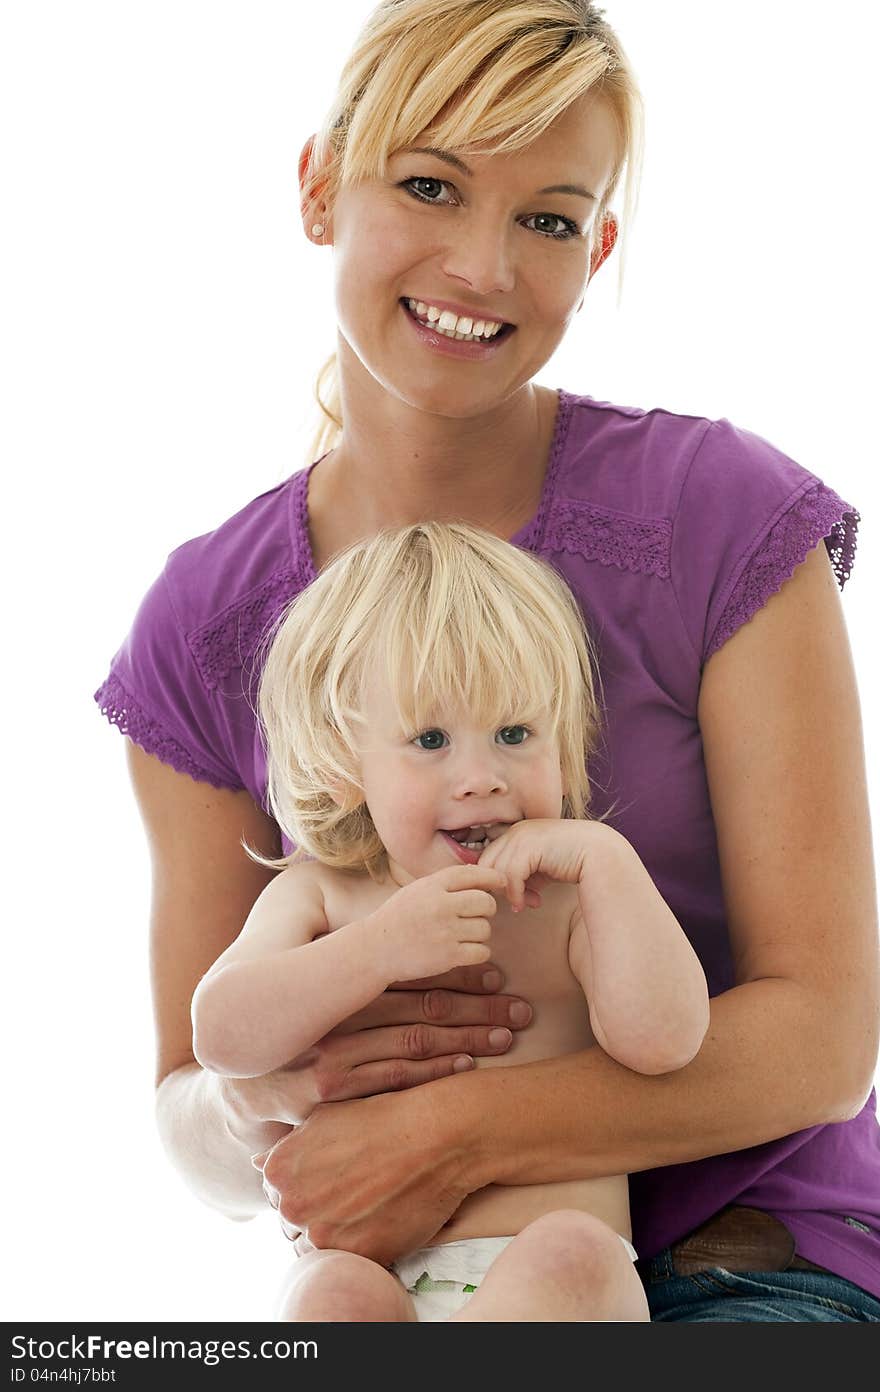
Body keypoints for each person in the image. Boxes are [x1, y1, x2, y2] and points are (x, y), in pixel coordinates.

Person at [95, 0, 880, 1321]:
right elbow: (191, 1092)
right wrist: (284, 1094)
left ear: (598, 251)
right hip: (391, 1273)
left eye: (549, 220)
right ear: (318, 185)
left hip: (752, 1268)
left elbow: (824, 1037)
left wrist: (452, 1130)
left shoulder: (720, 517)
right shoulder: (202, 625)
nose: (484, 266)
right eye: (430, 187)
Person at [189, 521, 710, 1321]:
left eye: (515, 734)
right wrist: (375, 950)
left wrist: (610, 862)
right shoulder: (323, 894)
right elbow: (223, 1038)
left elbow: (667, 1040)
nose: (481, 779)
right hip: (378, 1277)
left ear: (563, 747)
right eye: (430, 740)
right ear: (342, 762)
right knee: (326, 1292)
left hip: (541, 1287)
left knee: (576, 1254)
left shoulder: (573, 899)